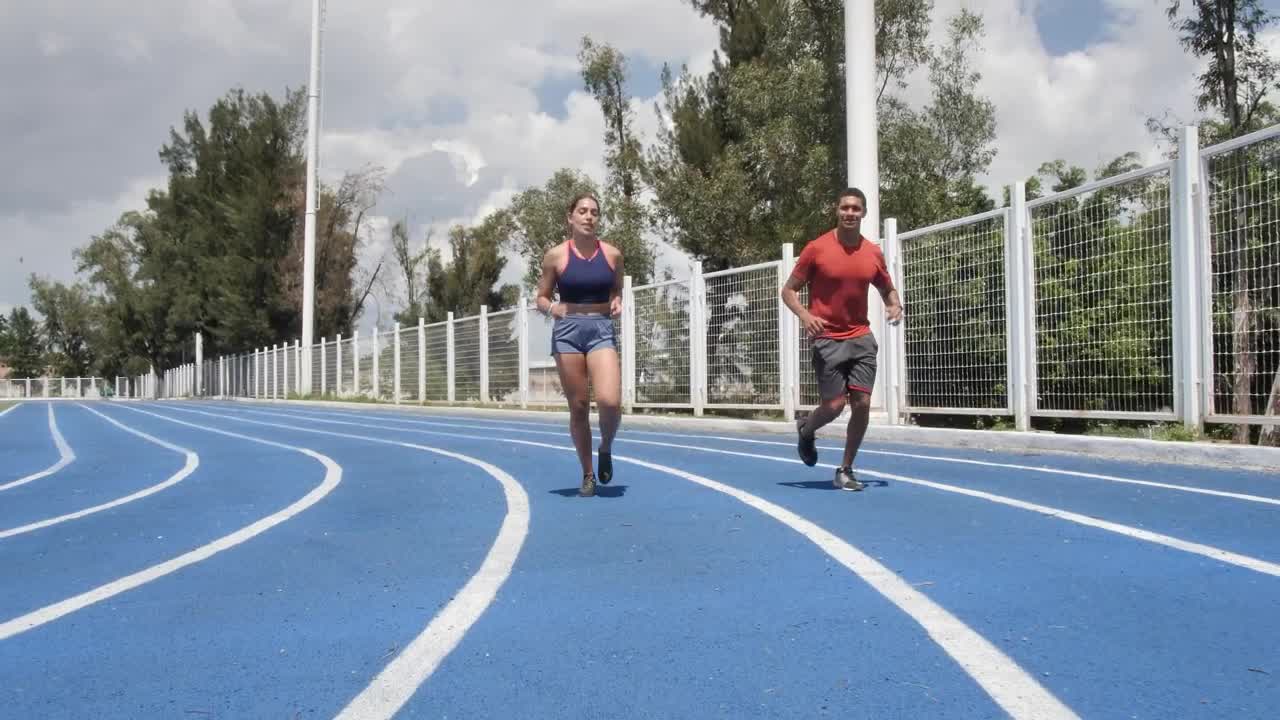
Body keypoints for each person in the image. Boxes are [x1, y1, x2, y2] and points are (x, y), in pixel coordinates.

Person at [781, 187, 904, 491]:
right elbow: (788, 291)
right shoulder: (816, 249)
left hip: (861, 336)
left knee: (861, 403)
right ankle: (807, 430)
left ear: (863, 213)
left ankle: (845, 469)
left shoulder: (872, 252)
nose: (850, 213)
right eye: (845, 208)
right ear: (836, 210)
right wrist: (805, 316)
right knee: (835, 405)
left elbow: (886, 287)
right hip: (827, 339)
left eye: (856, 209)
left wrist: (894, 303)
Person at [535, 193, 625, 497]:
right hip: (568, 332)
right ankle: (588, 474)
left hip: (601, 329)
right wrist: (551, 309)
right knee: (579, 406)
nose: (589, 217)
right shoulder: (555, 256)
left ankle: (606, 447)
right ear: (570, 217)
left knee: (610, 401)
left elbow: (616, 289)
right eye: (583, 211)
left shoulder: (612, 255)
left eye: (594, 212)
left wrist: (616, 300)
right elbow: (541, 297)